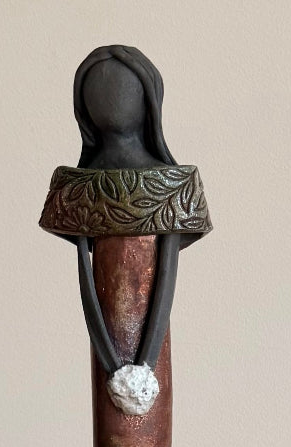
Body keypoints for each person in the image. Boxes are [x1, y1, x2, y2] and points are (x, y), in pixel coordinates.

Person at [40, 46, 211, 388]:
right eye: (97, 89)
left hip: (148, 367)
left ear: (148, 100)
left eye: (121, 88)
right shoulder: (72, 187)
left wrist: (144, 363)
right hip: (108, 352)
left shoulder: (176, 185)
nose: (109, 97)